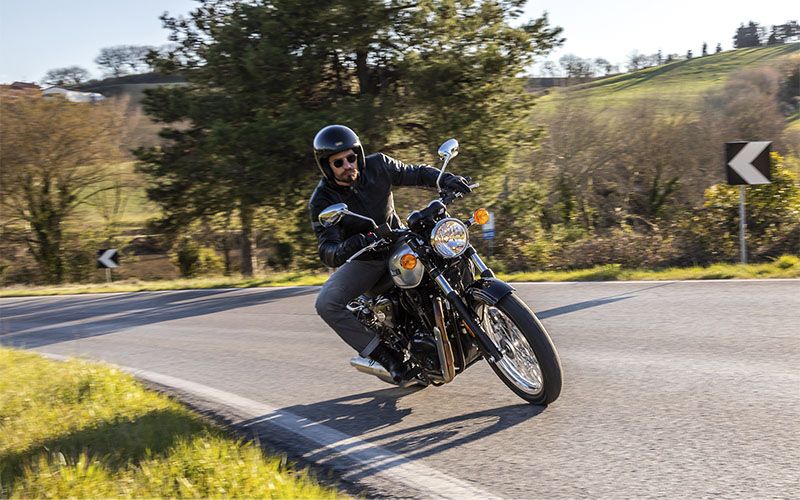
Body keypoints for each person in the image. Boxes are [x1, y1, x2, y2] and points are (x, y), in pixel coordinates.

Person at [309, 124, 472, 382]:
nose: (347, 165)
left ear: (358, 155)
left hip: (400, 240)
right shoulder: (322, 199)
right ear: (327, 167)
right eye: (338, 162)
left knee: (448, 248)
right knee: (326, 303)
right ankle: (387, 357)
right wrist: (354, 244)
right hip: (367, 258)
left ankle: (471, 308)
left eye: (351, 158)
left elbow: (415, 173)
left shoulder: (378, 165)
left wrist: (445, 179)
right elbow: (327, 249)